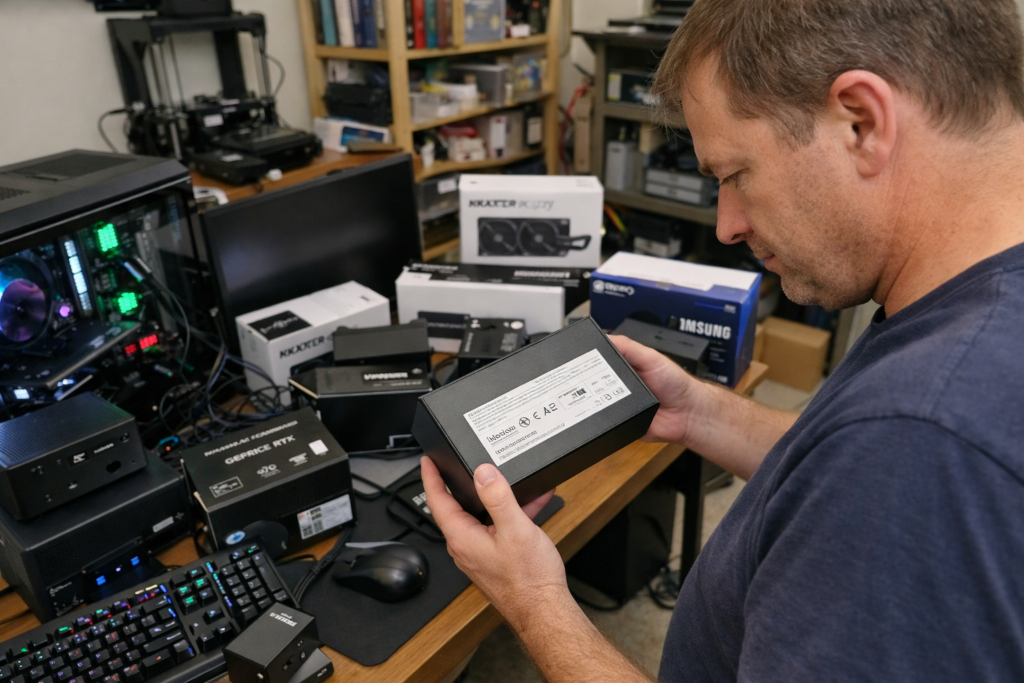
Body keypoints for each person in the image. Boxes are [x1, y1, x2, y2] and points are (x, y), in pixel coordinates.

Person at [420, 0, 1024, 679]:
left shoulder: (922, 438)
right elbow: (835, 466)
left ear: (861, 121)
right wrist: (700, 411)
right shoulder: (965, 309)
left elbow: (886, 457)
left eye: (735, 174)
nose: (727, 224)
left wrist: (530, 599)